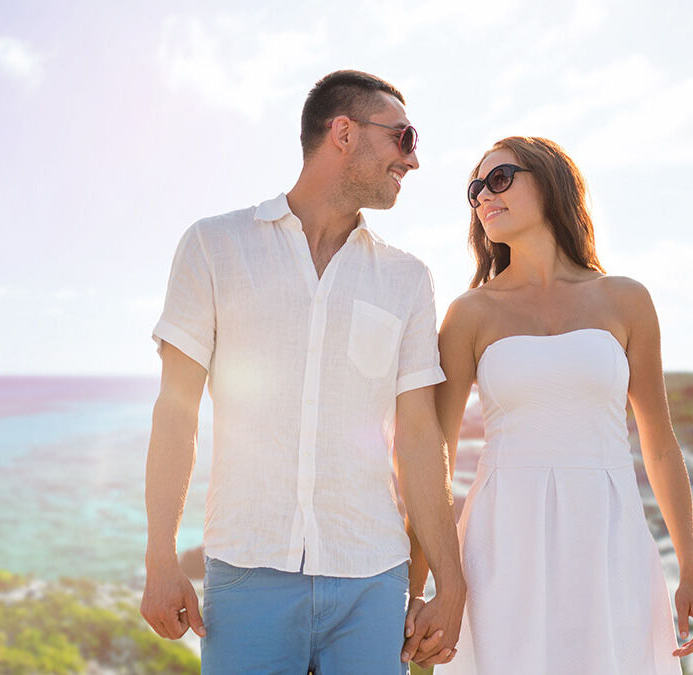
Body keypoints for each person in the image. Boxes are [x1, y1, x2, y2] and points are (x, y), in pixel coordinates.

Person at [140, 70, 465, 674]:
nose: (413, 160)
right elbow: (176, 412)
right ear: (343, 132)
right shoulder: (214, 246)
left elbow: (419, 439)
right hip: (246, 573)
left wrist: (451, 582)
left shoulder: (407, 278)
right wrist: (160, 556)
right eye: (403, 137)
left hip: (372, 577)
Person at [406, 136, 693, 673]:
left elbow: (659, 445)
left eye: (499, 179)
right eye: (475, 188)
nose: (482, 197)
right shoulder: (470, 313)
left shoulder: (626, 300)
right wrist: (415, 589)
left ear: (550, 183)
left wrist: (690, 570)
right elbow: (436, 455)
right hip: (501, 543)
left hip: (609, 536)